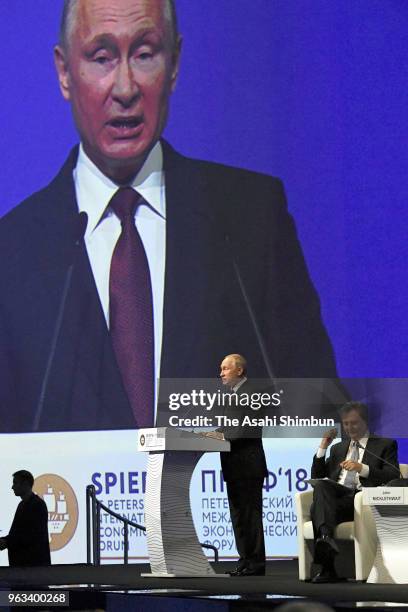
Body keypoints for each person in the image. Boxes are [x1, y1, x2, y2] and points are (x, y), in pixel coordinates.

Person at [0, 0, 337, 432]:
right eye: (101, 57)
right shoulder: (12, 254)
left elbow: (323, 413)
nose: (124, 87)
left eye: (144, 54)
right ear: (65, 72)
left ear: (174, 64)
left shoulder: (251, 220)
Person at [310, 401, 398, 583]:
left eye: (354, 423)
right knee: (321, 488)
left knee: (318, 507)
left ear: (366, 422)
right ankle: (326, 540)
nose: (349, 427)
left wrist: (362, 468)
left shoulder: (384, 444)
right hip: (338, 501)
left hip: (363, 500)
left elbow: (393, 475)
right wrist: (322, 448)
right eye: (346, 424)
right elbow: (318, 478)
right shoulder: (338, 448)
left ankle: (328, 568)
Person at [206, 354, 267, 576]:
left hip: (249, 466)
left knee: (250, 516)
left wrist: (220, 436)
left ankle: (256, 563)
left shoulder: (253, 393)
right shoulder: (230, 395)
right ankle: (244, 561)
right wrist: (212, 434)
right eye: (221, 369)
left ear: (239, 371)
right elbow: (228, 428)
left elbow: (246, 428)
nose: (221, 373)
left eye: (225, 369)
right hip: (233, 465)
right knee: (238, 516)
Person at [0, 470, 51, 567]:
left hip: (33, 567)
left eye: (15, 483)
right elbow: (18, 534)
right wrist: (5, 541)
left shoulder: (37, 505)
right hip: (25, 567)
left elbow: (31, 536)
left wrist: (6, 542)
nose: (12, 487)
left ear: (26, 484)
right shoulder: (23, 505)